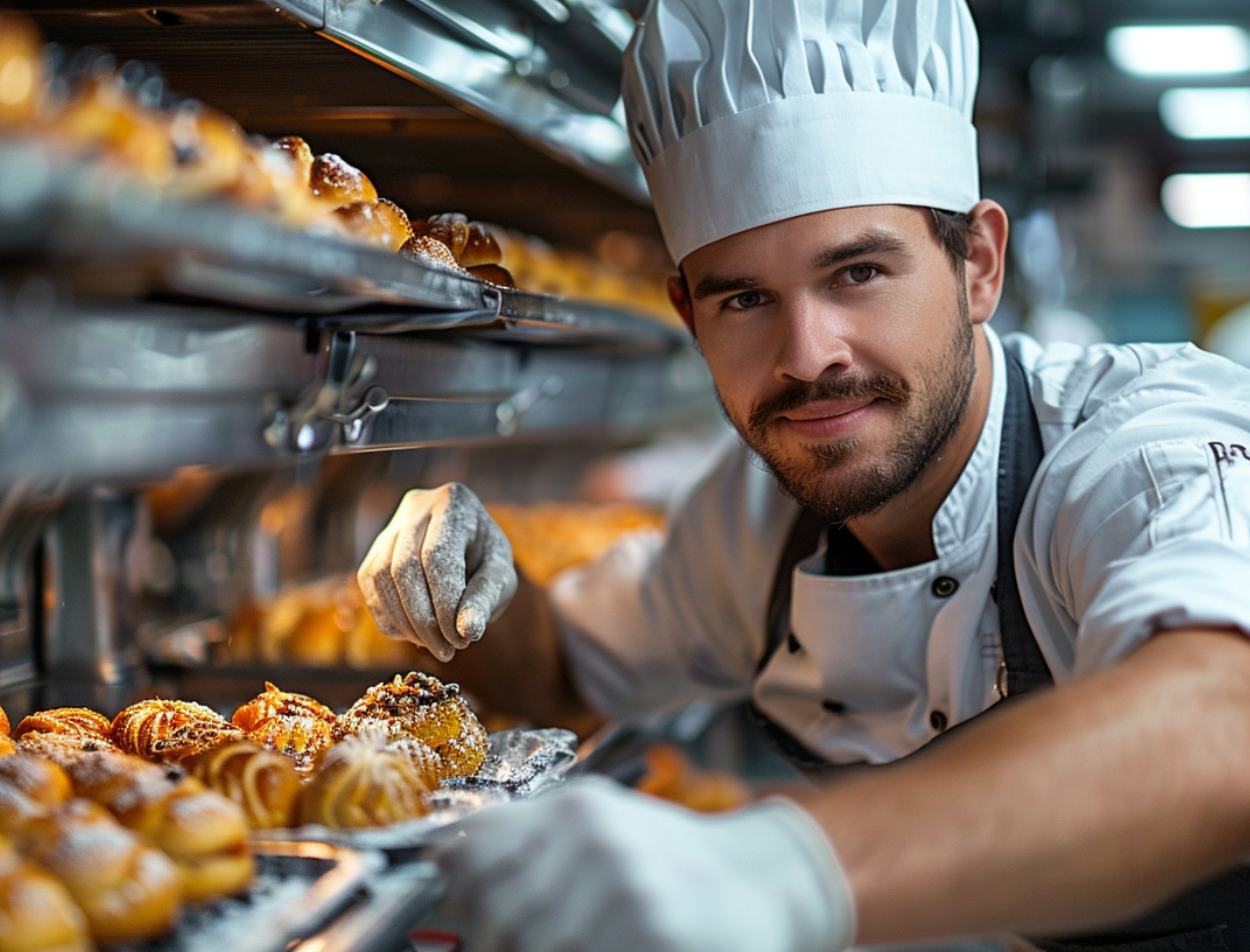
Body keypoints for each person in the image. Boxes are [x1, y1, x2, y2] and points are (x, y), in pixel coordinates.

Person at [357, 0, 1250, 949]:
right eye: (744, 298)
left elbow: (1220, 722)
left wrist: (786, 872)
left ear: (977, 265)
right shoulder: (751, 520)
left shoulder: (1136, 450)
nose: (807, 355)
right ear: (689, 316)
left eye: (857, 273)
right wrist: (476, 578)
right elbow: (565, 672)